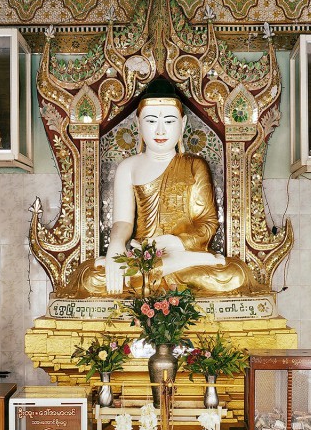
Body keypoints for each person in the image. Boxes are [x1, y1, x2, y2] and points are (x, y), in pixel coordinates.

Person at [62, 78, 265, 297]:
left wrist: (175, 242)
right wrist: (116, 245)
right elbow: (123, 222)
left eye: (169, 121)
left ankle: (175, 264)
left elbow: (207, 223)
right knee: (90, 277)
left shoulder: (194, 165)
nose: (160, 130)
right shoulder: (128, 167)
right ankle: (171, 265)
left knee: (234, 275)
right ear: (138, 124)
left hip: (182, 255)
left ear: (183, 124)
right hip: (144, 257)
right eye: (151, 121)